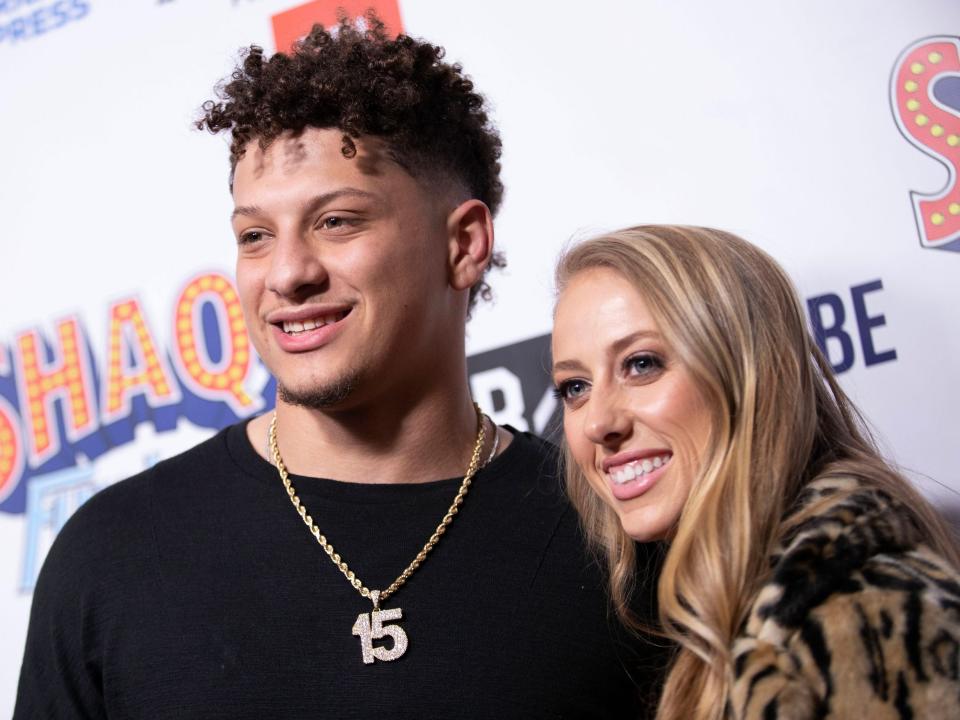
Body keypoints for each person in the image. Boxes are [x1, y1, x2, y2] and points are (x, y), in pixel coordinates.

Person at [14, 19, 661, 719]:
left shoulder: (615, 535)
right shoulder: (115, 555)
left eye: (337, 222)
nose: (287, 274)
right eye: (255, 236)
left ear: (464, 244)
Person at [551, 225, 960, 720]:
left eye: (641, 364)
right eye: (575, 387)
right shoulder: (733, 607)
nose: (598, 422)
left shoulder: (857, 607)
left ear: (748, 371)